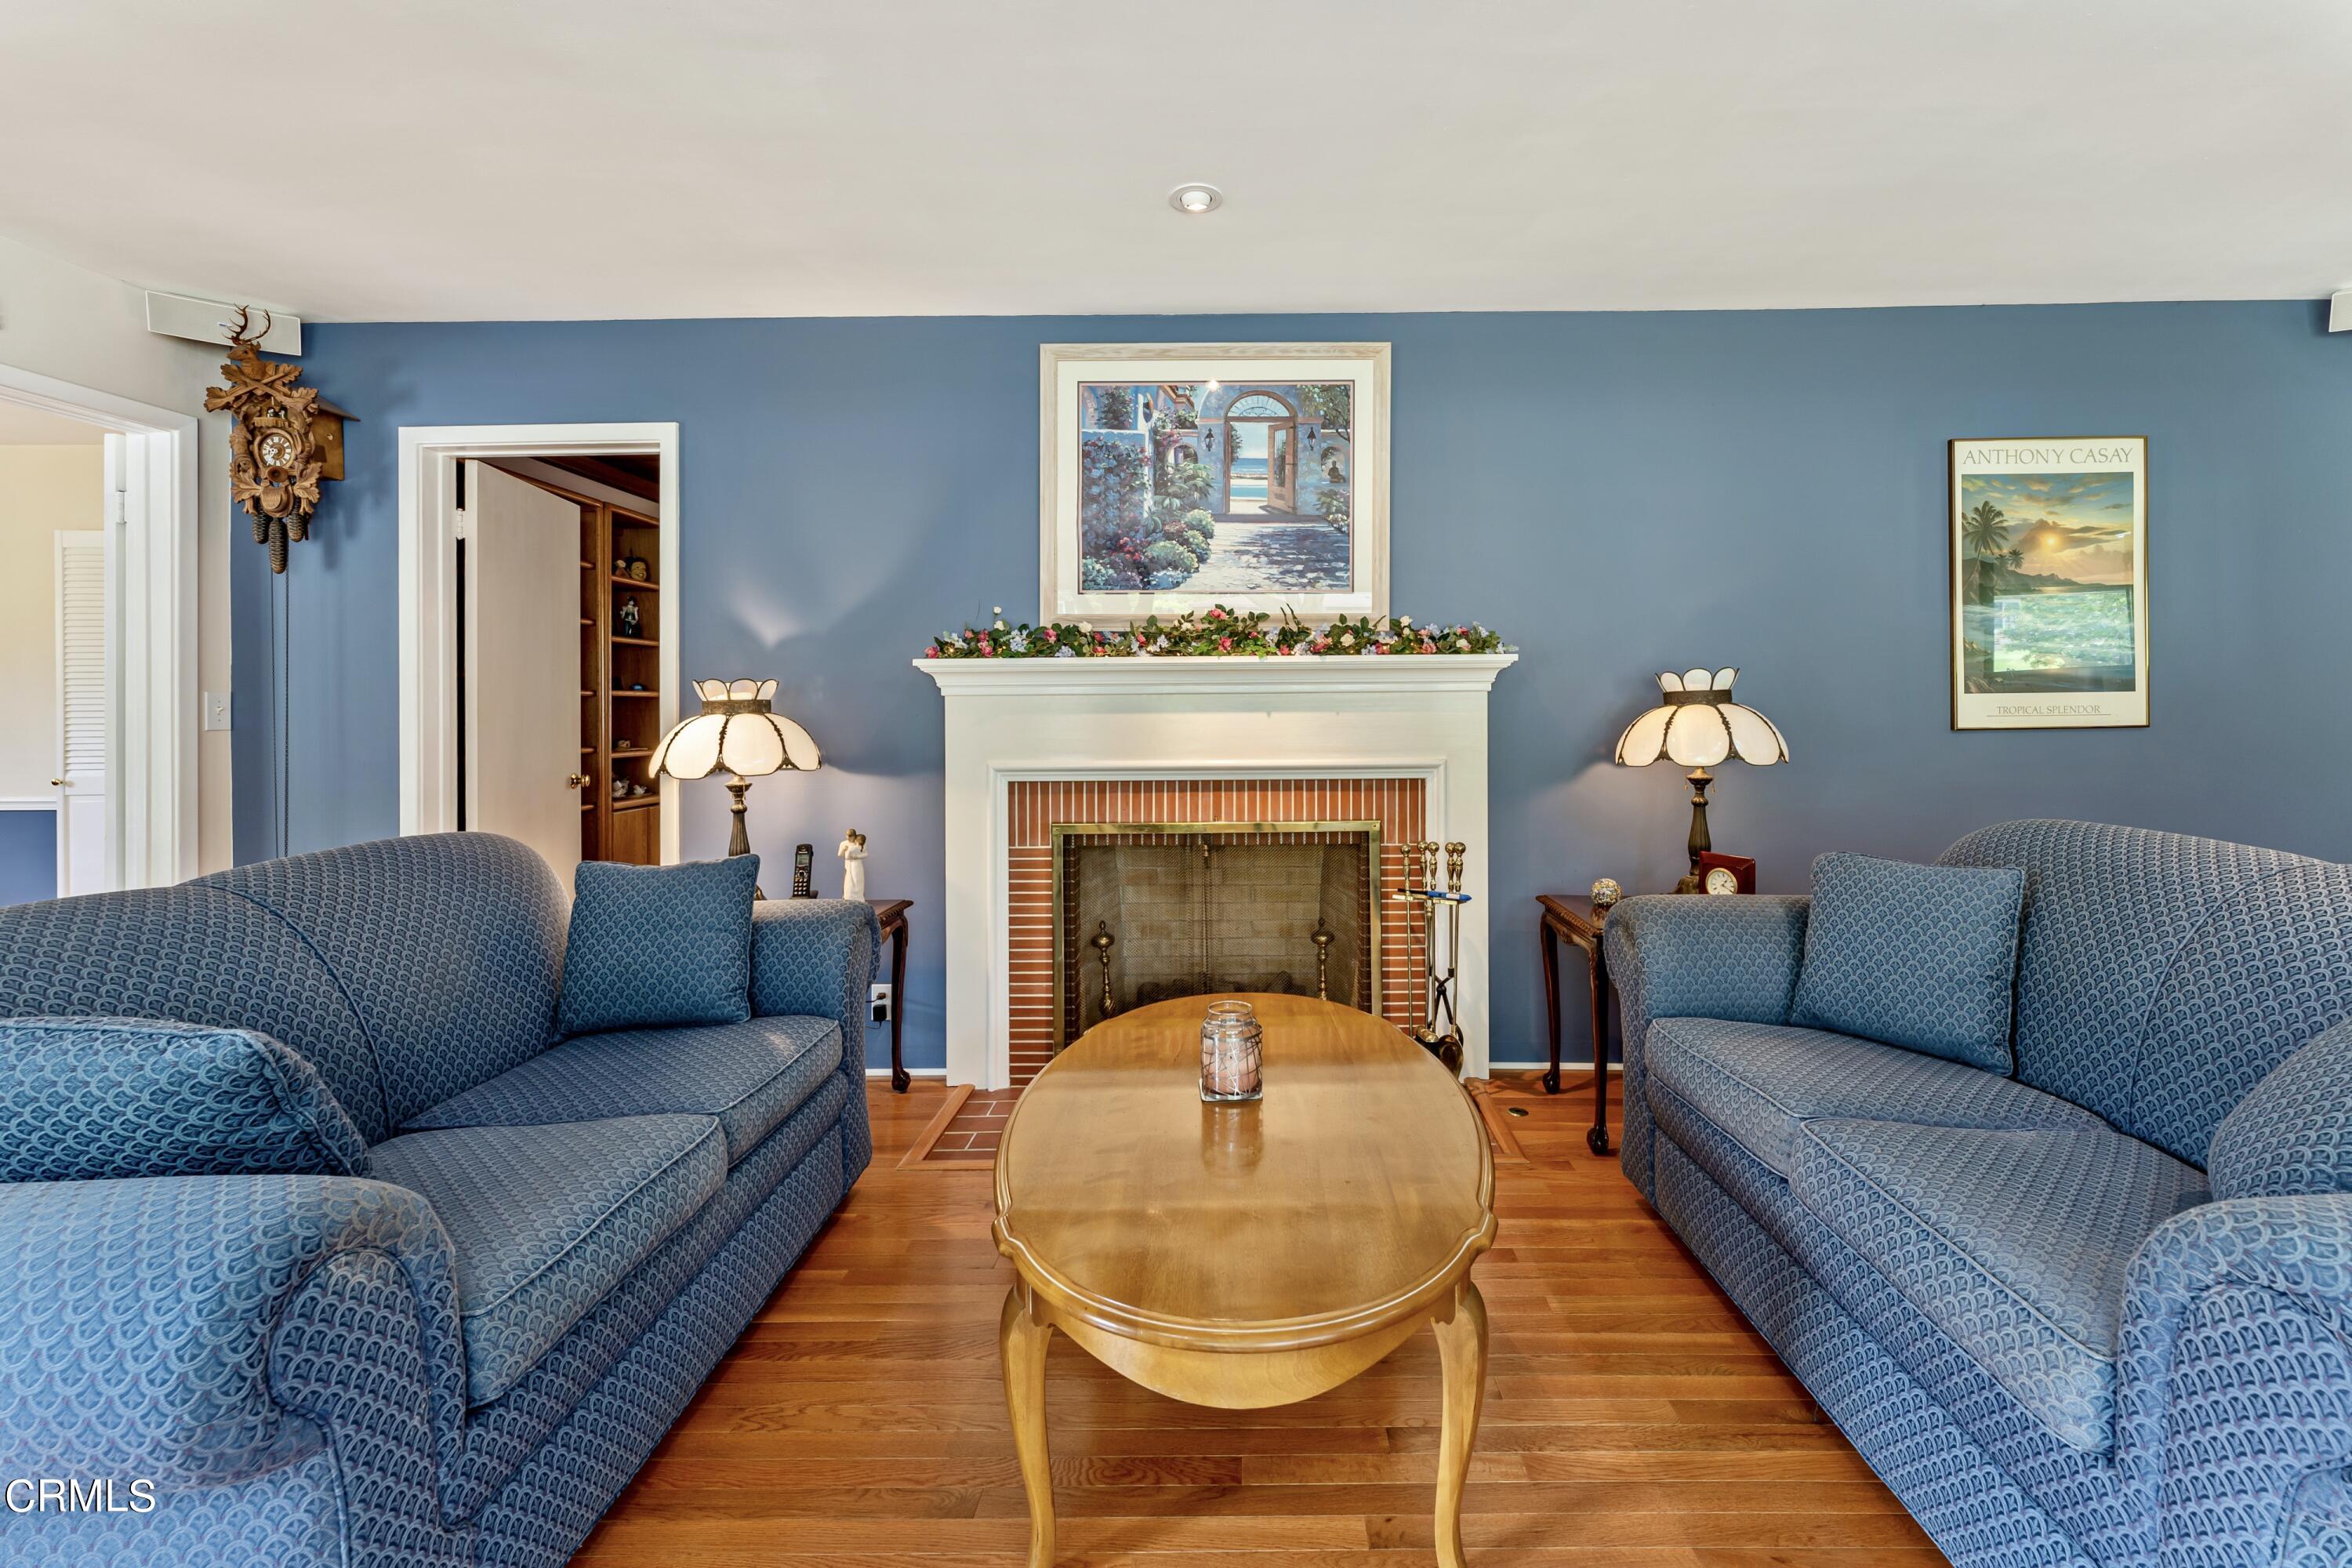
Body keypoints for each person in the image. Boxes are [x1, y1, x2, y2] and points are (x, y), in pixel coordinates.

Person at [837, 828, 868, 902]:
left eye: (850, 837)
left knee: (858, 881)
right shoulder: (843, 843)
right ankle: (847, 896)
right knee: (848, 882)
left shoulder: (858, 842)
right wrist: (843, 849)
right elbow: (840, 855)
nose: (848, 838)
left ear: (854, 836)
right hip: (848, 865)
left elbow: (865, 853)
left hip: (857, 865)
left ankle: (859, 898)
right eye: (847, 836)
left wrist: (857, 857)